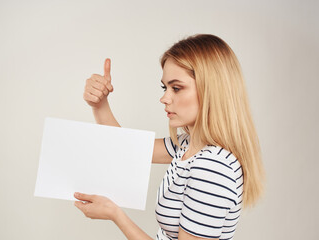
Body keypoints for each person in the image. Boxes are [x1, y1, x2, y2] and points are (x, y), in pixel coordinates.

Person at [74, 34, 265, 240]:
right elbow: (125, 148)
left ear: (211, 89)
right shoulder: (187, 145)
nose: (164, 98)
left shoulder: (213, 168)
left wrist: (115, 214)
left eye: (177, 88)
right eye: (165, 87)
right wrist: (100, 104)